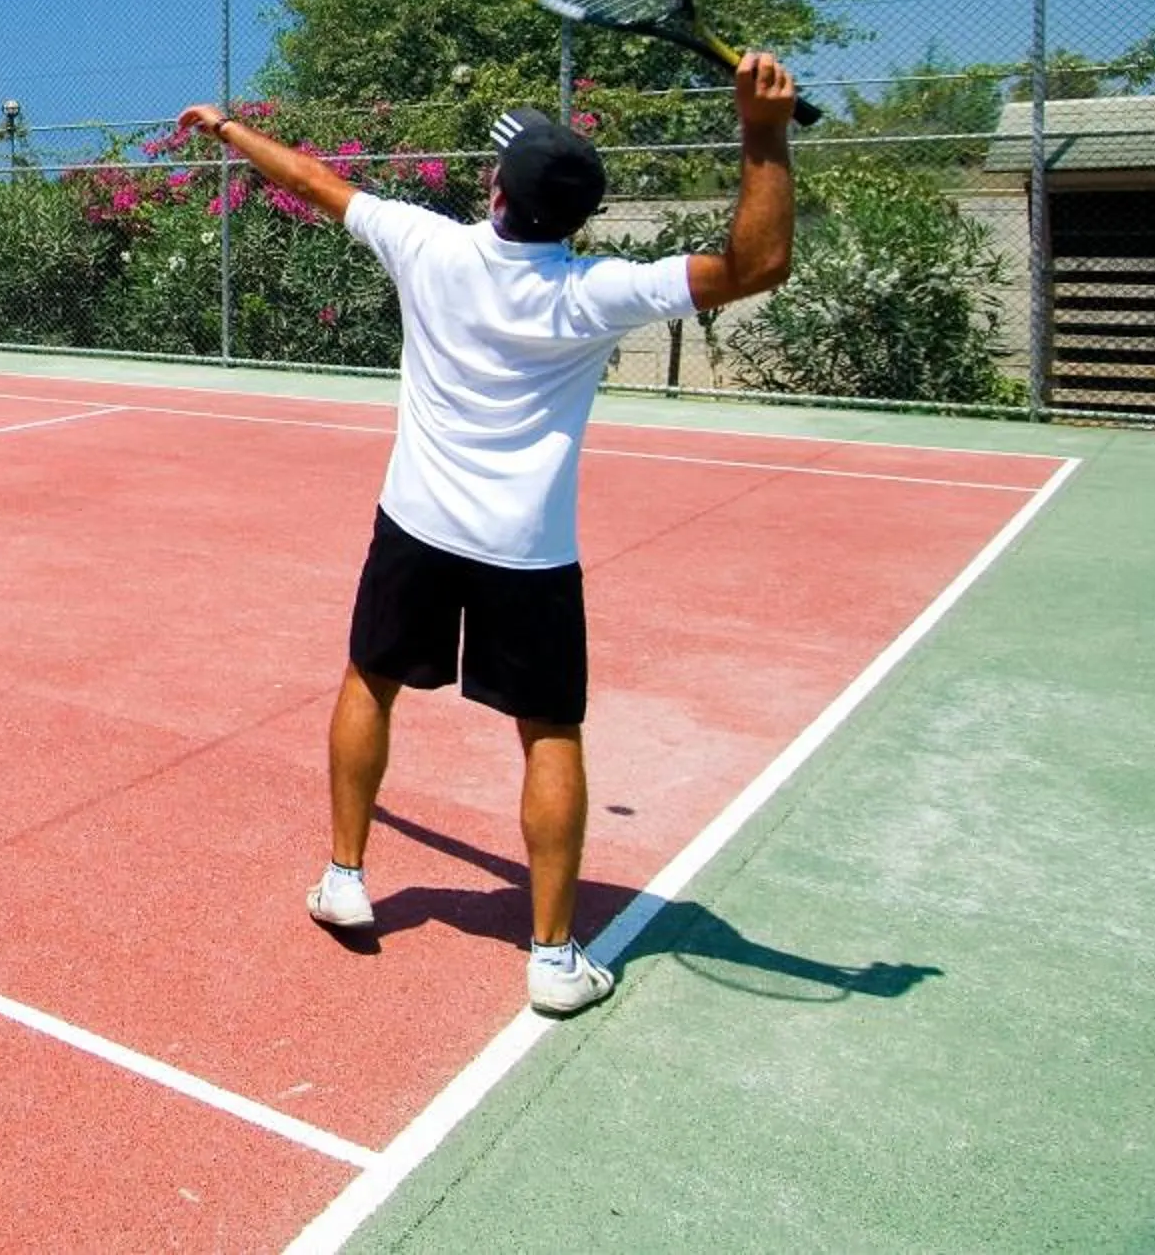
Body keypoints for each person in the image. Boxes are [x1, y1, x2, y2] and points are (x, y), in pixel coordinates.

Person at [177, 49, 797, 1016]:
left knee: (368, 684)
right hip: (529, 551)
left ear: (497, 194)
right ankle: (552, 960)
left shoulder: (428, 246)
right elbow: (757, 263)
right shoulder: (596, 292)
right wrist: (760, 134)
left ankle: (345, 876)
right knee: (549, 732)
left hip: (415, 525)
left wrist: (226, 129)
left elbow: (310, 179)